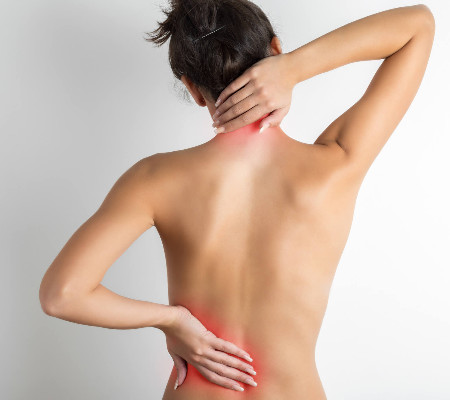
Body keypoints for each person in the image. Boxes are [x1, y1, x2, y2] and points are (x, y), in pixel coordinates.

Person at [39, 0, 435, 399]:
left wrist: (172, 320)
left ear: (192, 89)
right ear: (275, 49)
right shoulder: (336, 164)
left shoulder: (153, 179)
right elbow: (417, 25)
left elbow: (62, 295)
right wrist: (293, 69)